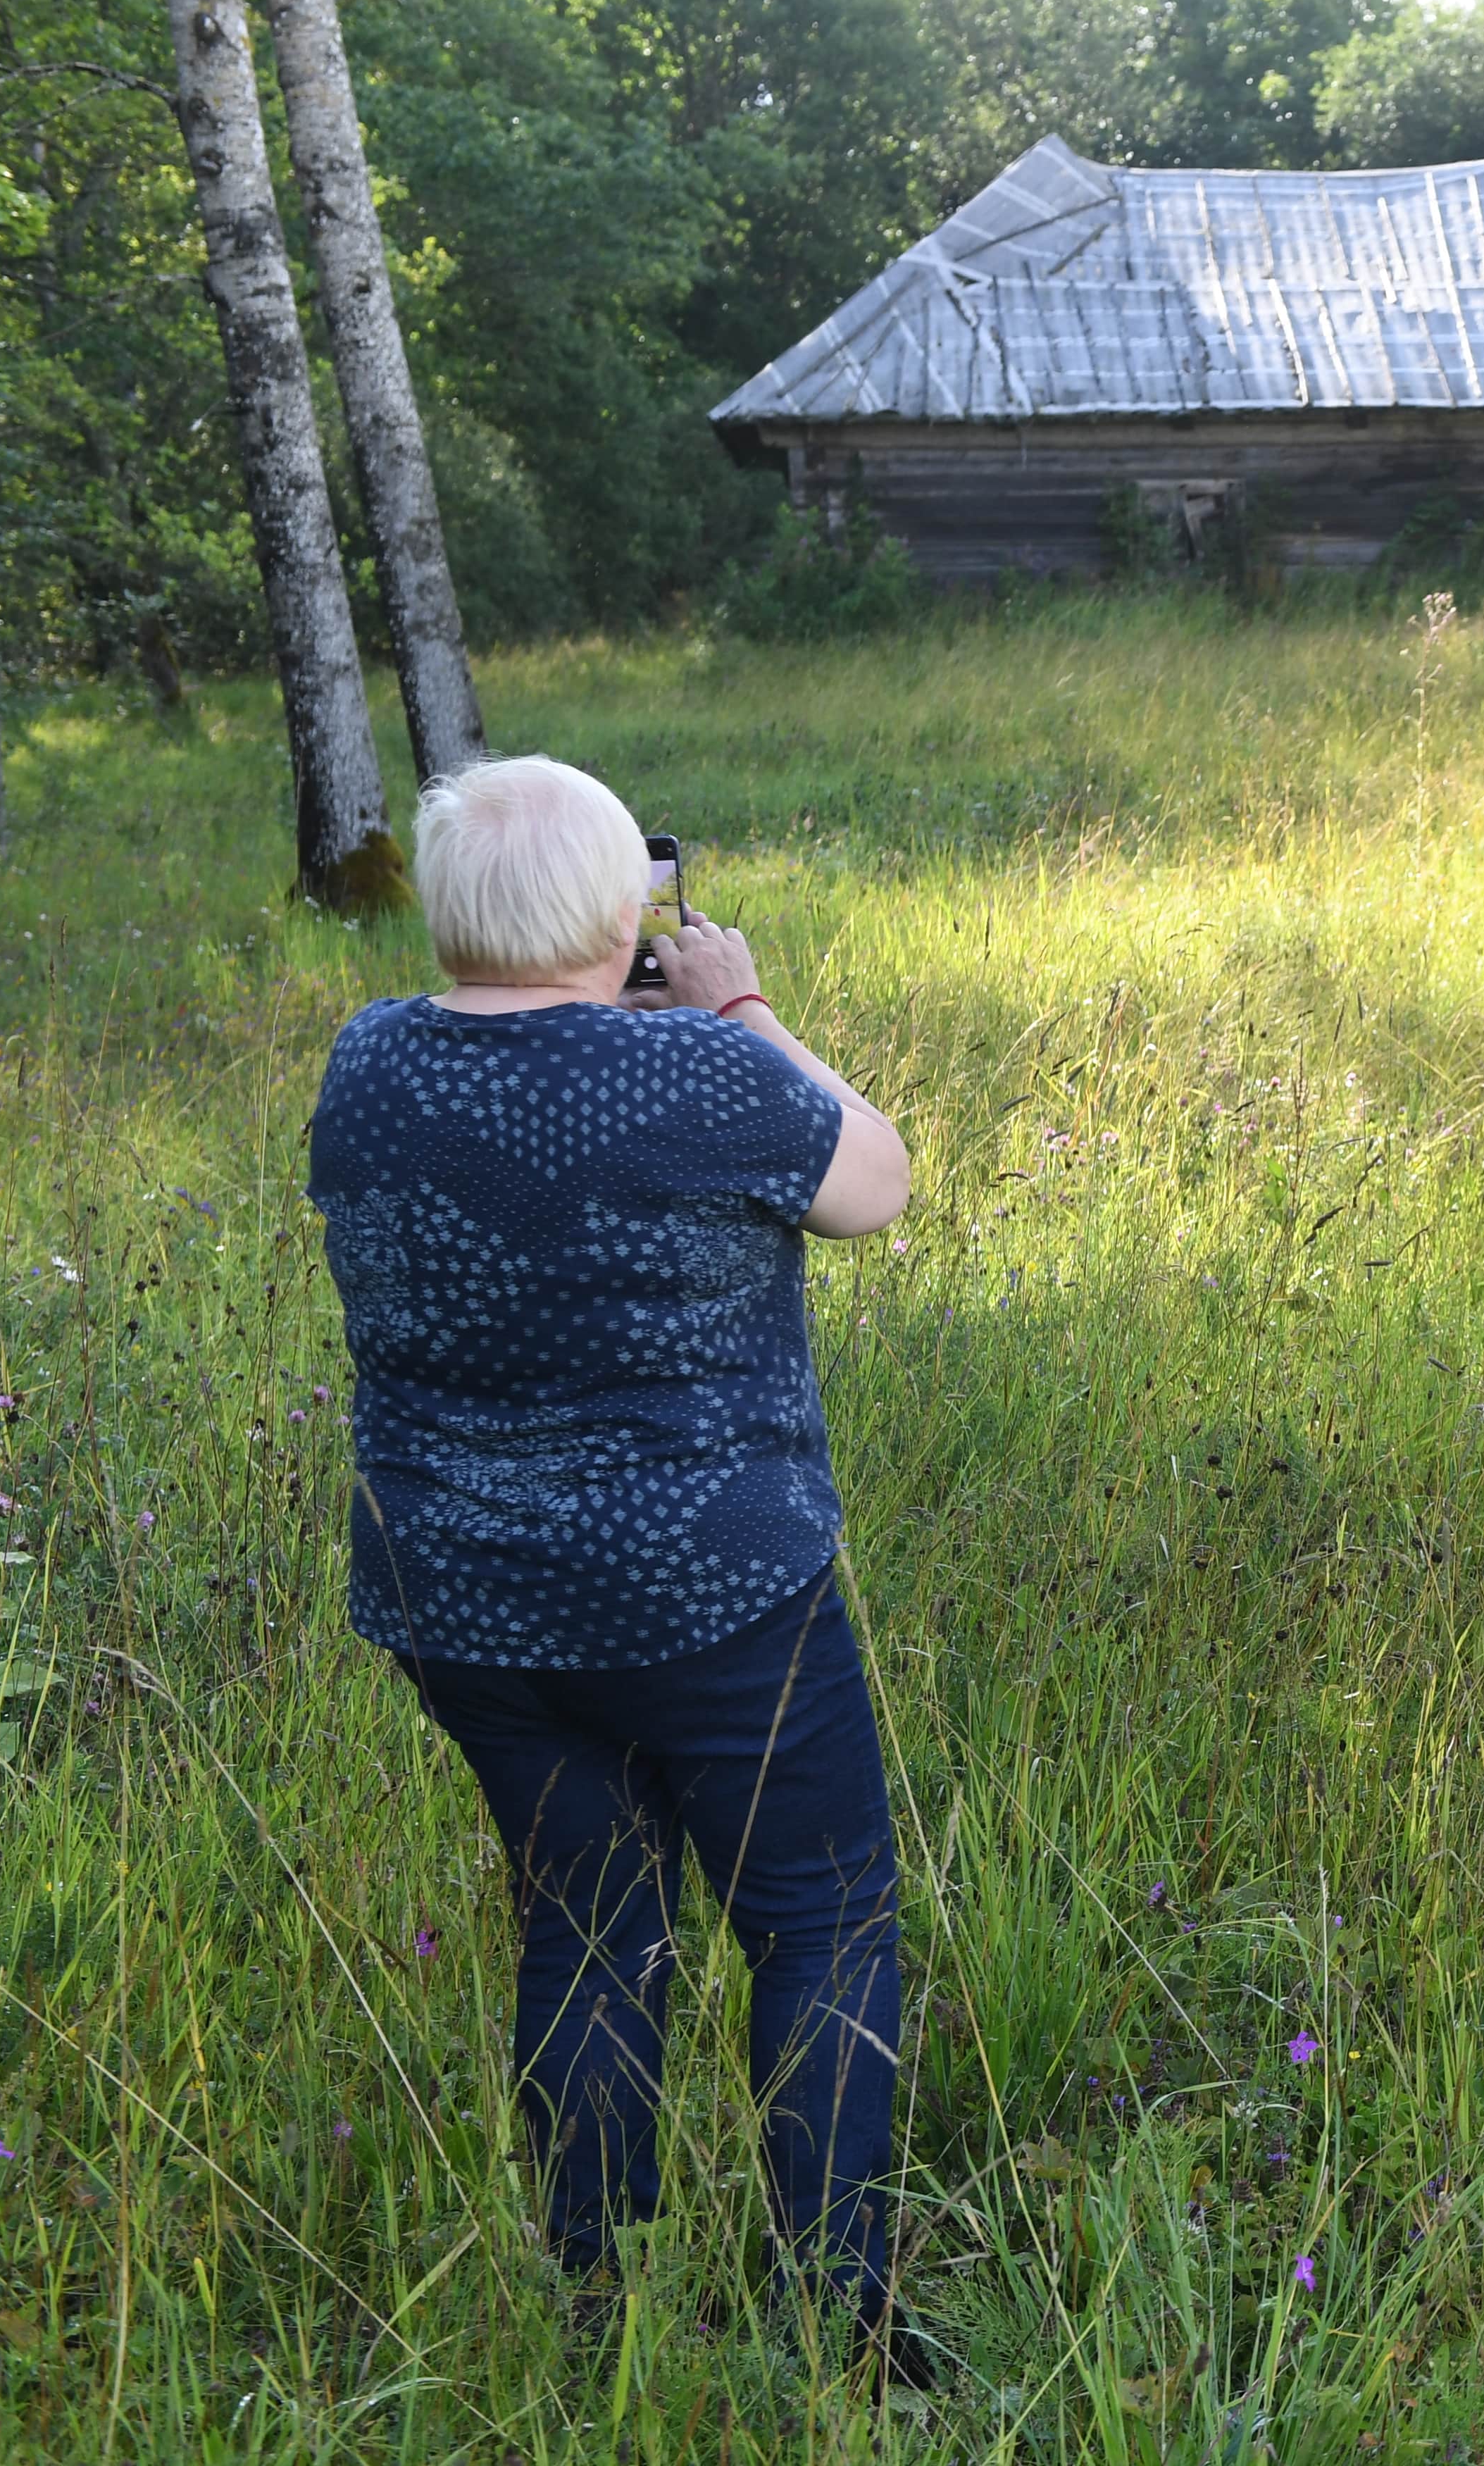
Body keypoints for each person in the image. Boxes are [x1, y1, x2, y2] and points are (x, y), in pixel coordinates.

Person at [304, 756, 920, 2367]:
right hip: (715, 1593)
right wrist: (741, 1005)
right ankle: (836, 2317)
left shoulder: (369, 1061)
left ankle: (596, 2295)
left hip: (461, 1596)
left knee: (583, 1923)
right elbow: (876, 1185)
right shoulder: (701, 1071)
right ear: (623, 911)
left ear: (447, 910)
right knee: (821, 1920)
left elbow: (519, 1117)